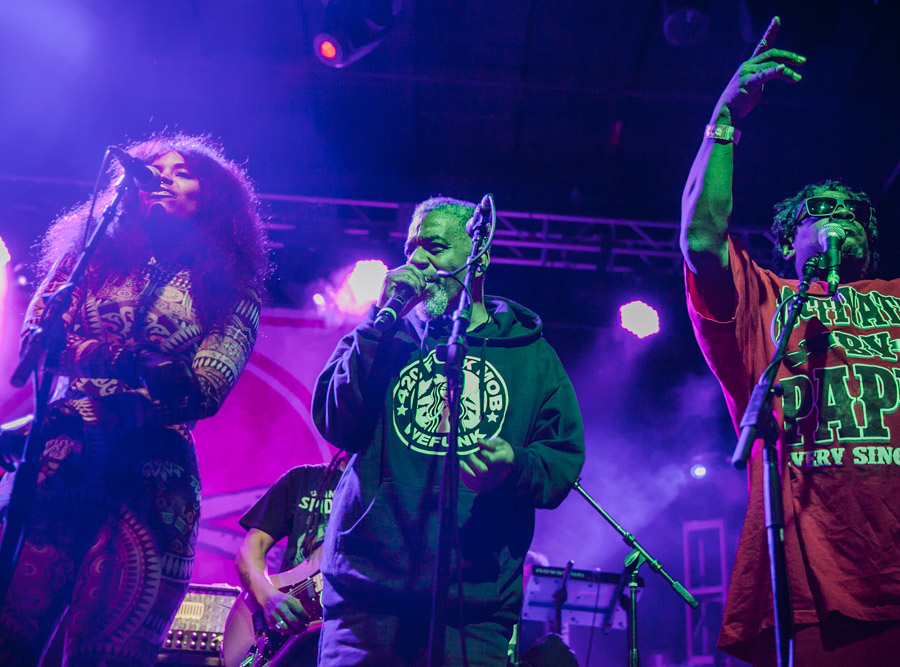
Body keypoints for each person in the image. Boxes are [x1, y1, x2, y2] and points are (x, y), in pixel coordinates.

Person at [681, 18, 900, 666]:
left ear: (869, 240)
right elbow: (701, 241)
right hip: (822, 598)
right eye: (814, 210)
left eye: (849, 209)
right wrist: (725, 119)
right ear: (786, 242)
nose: (834, 214)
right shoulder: (767, 303)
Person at [0, 133, 268, 666]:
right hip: (58, 465)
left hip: (152, 490)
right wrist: (134, 362)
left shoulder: (233, 287)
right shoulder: (87, 257)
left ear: (211, 196)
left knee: (109, 656)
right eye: (155, 168)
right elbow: (38, 343)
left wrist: (95, 360)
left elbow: (204, 388)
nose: (164, 175)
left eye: (183, 170)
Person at [312, 196, 586, 665]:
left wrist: (513, 465)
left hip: (473, 610)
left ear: (478, 257)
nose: (417, 259)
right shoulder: (385, 331)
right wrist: (379, 324)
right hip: (366, 604)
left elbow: (562, 461)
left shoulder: (530, 354)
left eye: (435, 247)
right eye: (413, 247)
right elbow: (337, 421)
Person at [234, 457, 346, 666]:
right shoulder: (302, 479)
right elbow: (250, 550)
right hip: (290, 634)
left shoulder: (393, 496)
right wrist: (268, 596)